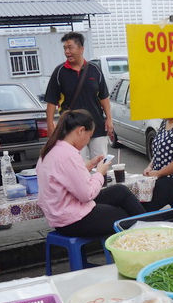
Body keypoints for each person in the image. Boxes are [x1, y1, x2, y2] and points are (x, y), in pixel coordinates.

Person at [36, 109, 145, 237]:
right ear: (81, 130)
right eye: (89, 136)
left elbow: (66, 177)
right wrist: (99, 173)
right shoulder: (68, 154)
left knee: (120, 191)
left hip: (62, 215)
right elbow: (86, 194)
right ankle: (152, 233)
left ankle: (150, 227)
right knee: (127, 218)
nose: (88, 141)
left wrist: (88, 166)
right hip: (72, 220)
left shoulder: (51, 149)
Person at [45, 32, 114, 161]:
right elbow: (51, 102)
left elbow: (104, 97)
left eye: (70, 47)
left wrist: (109, 119)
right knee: (76, 165)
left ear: (81, 49)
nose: (67, 52)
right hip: (72, 129)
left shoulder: (95, 70)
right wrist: (50, 125)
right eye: (65, 48)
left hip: (97, 126)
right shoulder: (59, 72)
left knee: (100, 163)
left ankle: (101, 182)